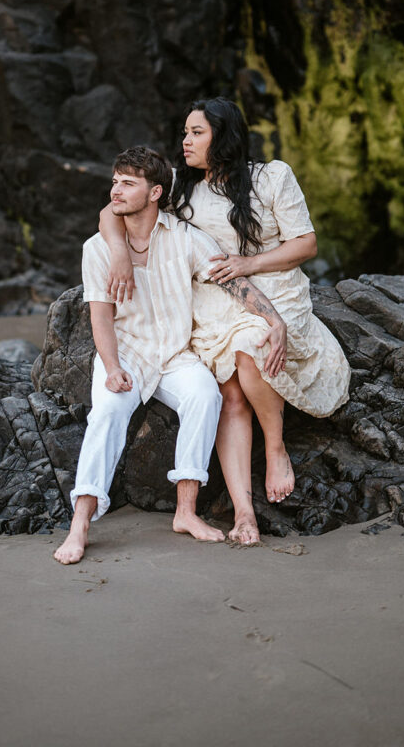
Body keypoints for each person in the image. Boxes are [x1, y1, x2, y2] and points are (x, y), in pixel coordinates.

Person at [100, 100, 351, 547]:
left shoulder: (272, 176)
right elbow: (114, 207)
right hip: (214, 298)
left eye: (196, 132)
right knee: (228, 392)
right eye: (184, 133)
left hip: (274, 285)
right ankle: (244, 512)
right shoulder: (181, 186)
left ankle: (275, 449)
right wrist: (118, 252)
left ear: (223, 135)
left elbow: (306, 243)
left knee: (250, 349)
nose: (186, 141)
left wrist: (248, 264)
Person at [54, 145, 289, 565]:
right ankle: (80, 526)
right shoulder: (99, 248)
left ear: (156, 191)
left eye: (128, 183)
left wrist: (274, 320)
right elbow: (101, 319)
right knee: (107, 413)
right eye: (115, 182)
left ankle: (186, 511)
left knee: (205, 396)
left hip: (176, 354)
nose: (116, 191)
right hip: (126, 353)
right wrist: (111, 369)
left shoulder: (185, 239)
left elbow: (231, 279)